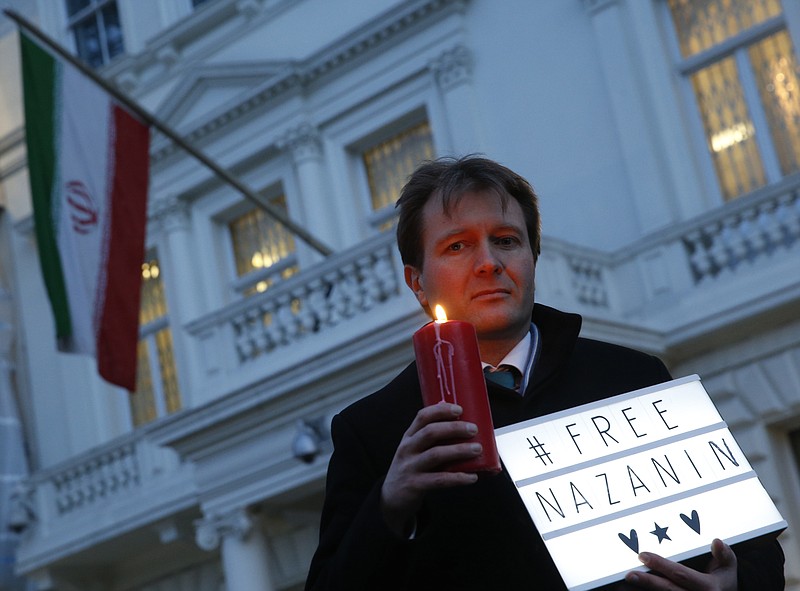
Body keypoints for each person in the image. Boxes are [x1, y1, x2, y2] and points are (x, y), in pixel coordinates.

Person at [305, 156, 784, 590]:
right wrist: (389, 507)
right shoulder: (374, 432)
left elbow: (758, 552)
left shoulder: (635, 377)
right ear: (417, 283)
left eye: (506, 240)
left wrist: (734, 585)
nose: (489, 263)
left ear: (533, 256)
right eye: (457, 246)